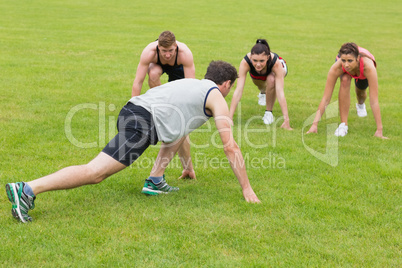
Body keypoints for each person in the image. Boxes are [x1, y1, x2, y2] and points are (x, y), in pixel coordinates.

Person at [5, 61, 261, 223]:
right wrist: (247, 189)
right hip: (142, 122)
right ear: (226, 84)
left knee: (176, 131)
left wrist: (188, 167)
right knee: (95, 172)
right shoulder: (216, 97)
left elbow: (180, 132)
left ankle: (155, 180)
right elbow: (230, 146)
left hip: (136, 112)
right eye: (229, 87)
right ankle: (27, 189)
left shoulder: (191, 86)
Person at [306, 42, 388, 138]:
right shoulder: (337, 67)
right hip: (349, 69)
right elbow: (326, 98)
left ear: (357, 59)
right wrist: (314, 125)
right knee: (345, 80)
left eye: (349, 61)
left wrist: (379, 130)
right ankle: (343, 125)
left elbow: (374, 101)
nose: (346, 65)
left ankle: (360, 104)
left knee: (361, 92)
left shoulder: (369, 68)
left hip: (361, 70)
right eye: (343, 60)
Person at [229, 39, 292, 130]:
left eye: (262, 61)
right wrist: (229, 118)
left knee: (271, 79)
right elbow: (238, 90)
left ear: (267, 57)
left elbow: (280, 92)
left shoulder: (276, 63)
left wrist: (286, 120)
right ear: (251, 58)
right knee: (257, 80)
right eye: (255, 60)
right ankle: (263, 93)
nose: (258, 64)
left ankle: (268, 113)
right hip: (260, 74)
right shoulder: (245, 62)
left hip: (278, 69)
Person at [131, 30, 195, 97]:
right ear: (158, 47)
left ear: (175, 46)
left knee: (179, 92)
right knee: (153, 74)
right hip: (157, 65)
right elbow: (138, 82)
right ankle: (160, 100)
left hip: (177, 66)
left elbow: (191, 84)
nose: (167, 55)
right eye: (164, 51)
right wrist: (132, 105)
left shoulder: (184, 54)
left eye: (170, 50)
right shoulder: (149, 52)